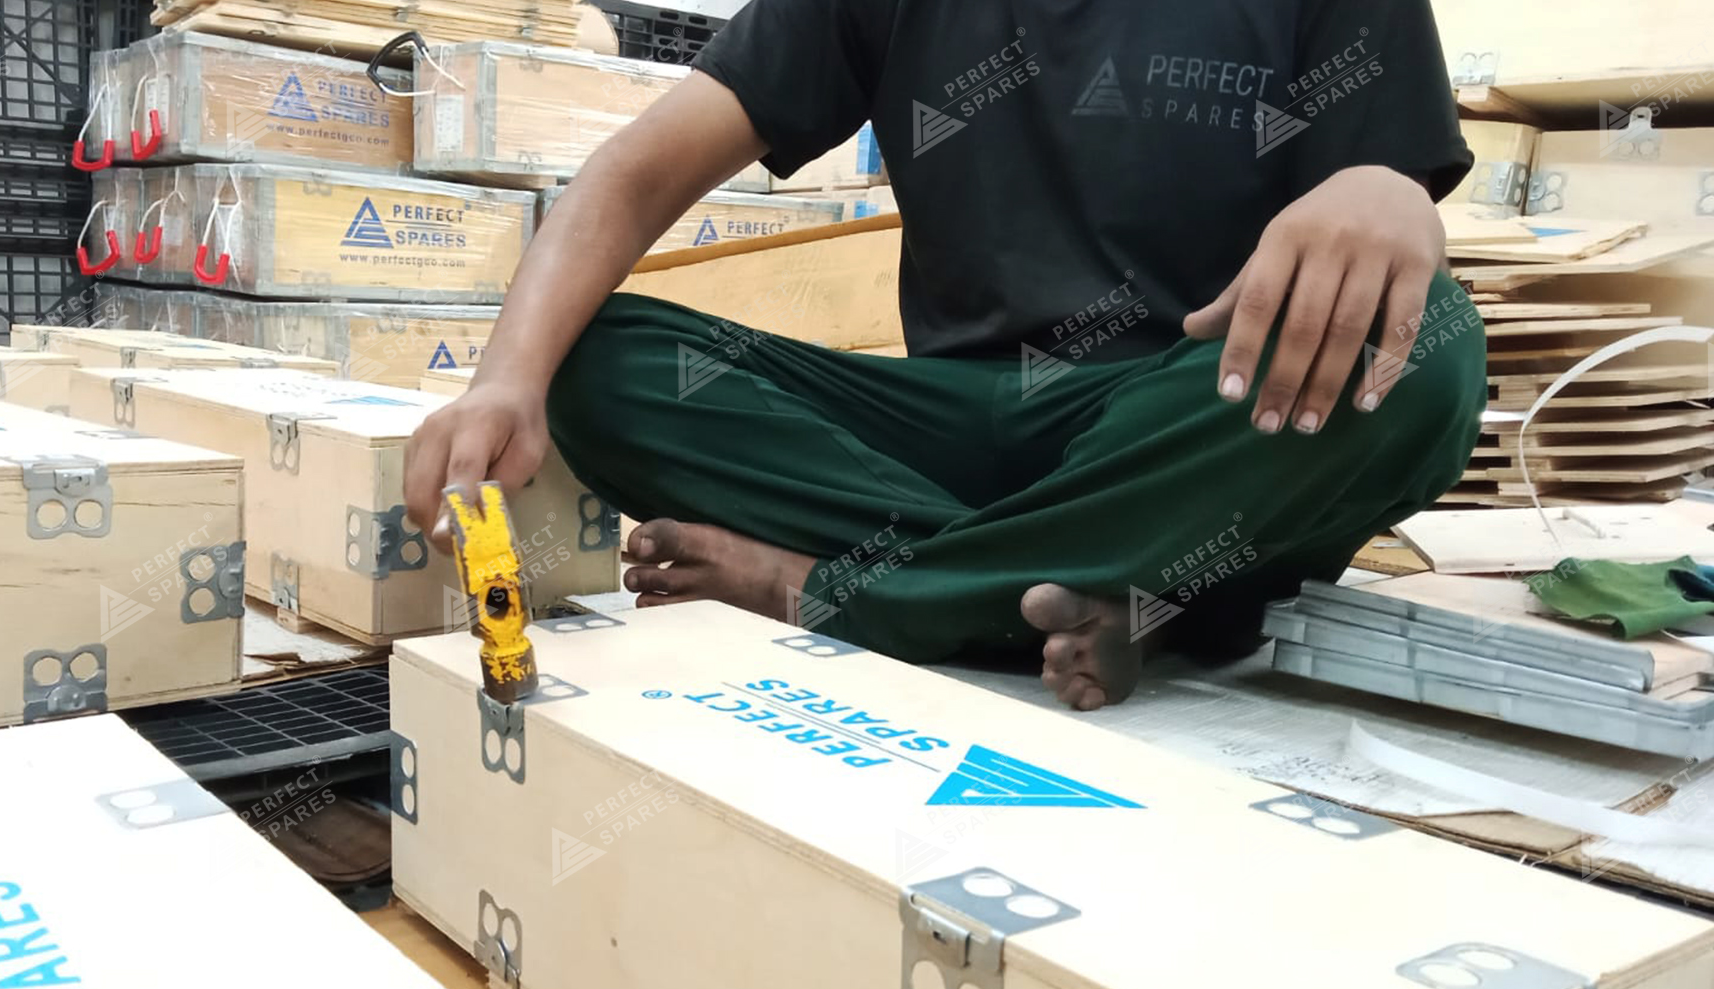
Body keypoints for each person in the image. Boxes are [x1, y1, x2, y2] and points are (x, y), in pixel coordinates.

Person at [404, 0, 1486, 710]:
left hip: (1181, 426)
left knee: (1427, 347)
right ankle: (1132, 597)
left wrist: (1387, 192)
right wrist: (504, 383)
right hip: (949, 429)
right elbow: (636, 172)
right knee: (592, 357)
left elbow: (1386, 217)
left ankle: (849, 592)